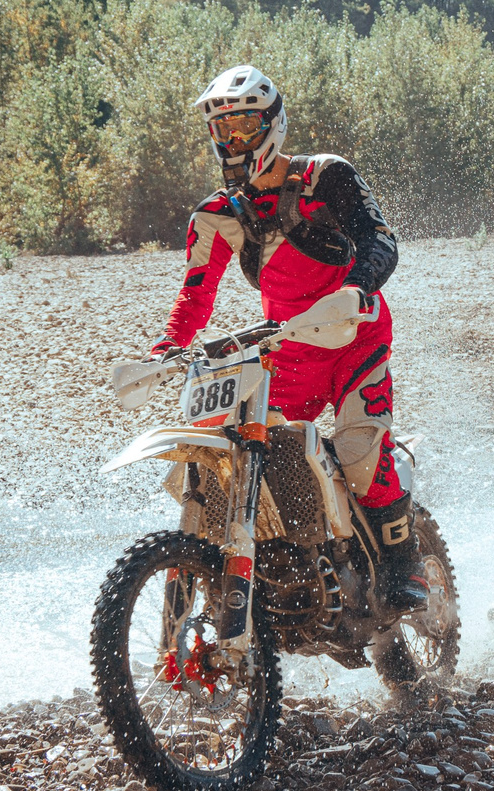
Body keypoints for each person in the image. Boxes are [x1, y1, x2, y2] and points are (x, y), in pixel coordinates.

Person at [149, 64, 430, 610]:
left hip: (353, 334)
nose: (233, 141)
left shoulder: (326, 177)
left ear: (272, 124)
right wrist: (167, 346)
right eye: (222, 130)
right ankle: (257, 570)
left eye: (245, 126)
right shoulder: (216, 213)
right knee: (237, 453)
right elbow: (195, 294)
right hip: (285, 351)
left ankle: (405, 563)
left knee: (358, 454)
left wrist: (356, 288)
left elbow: (380, 239)